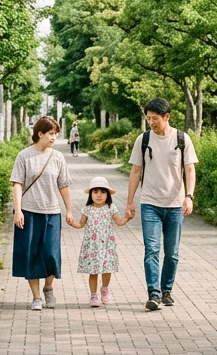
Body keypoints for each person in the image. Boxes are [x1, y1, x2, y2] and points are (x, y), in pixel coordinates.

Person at [125, 98, 198, 311]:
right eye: (148, 118)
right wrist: (130, 202)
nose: (151, 122)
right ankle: (153, 294)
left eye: (155, 118)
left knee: (172, 252)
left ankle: (167, 290)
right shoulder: (144, 139)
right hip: (150, 203)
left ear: (167, 117)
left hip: (175, 204)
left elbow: (190, 169)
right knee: (152, 249)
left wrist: (189, 196)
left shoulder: (182, 138)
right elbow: (136, 171)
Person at [10, 116, 74, 311]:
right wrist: (18, 210)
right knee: (31, 255)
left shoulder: (57, 157)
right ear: (40, 134)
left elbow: (63, 185)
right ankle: (36, 297)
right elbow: (17, 184)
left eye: (56, 134)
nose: (54, 137)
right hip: (29, 213)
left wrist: (69, 210)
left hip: (51, 212)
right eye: (51, 134)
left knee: (51, 255)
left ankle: (48, 288)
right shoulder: (24, 156)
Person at [67, 176, 131, 307]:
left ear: (108, 194)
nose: (99, 195)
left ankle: (105, 290)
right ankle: (93, 295)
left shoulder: (110, 207)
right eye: (95, 192)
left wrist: (127, 218)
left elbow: (119, 222)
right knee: (93, 271)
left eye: (102, 192)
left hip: (107, 245)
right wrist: (72, 223)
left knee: (107, 269)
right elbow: (81, 224)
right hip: (92, 247)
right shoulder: (87, 209)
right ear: (91, 194)